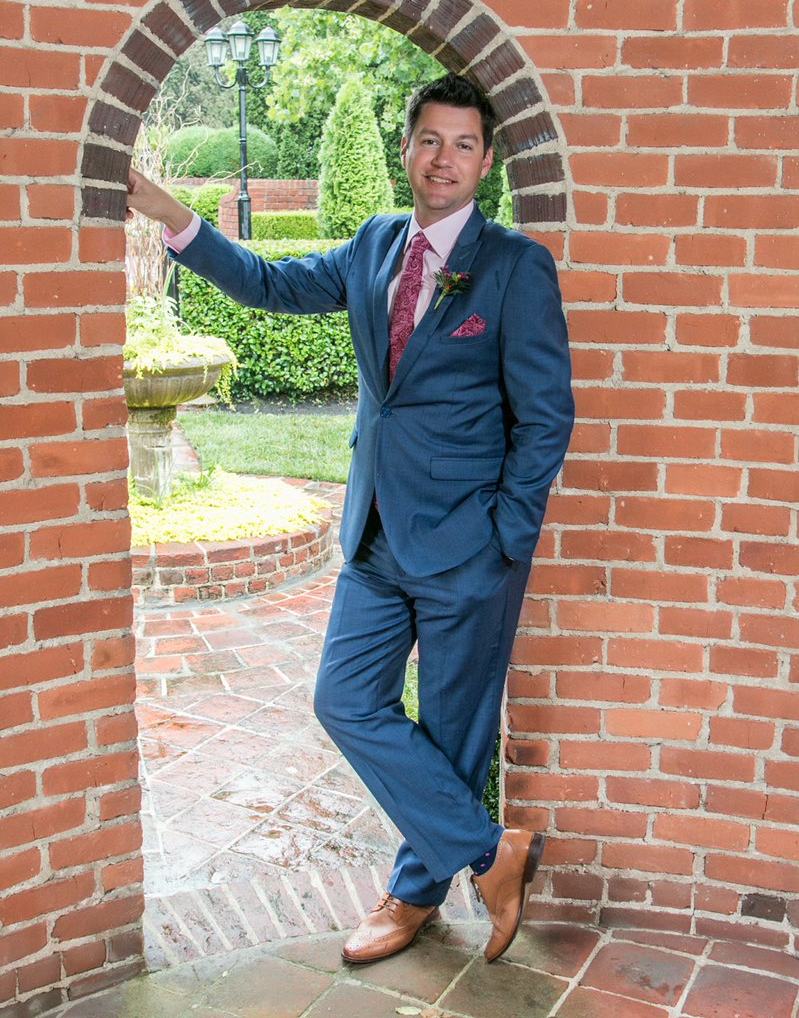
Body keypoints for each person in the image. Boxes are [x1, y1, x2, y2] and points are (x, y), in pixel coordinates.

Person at [127, 72, 574, 965]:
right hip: (373, 534)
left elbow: (546, 415)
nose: (441, 158)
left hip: (469, 548)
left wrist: (503, 537)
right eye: (428, 140)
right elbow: (265, 280)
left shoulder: (516, 266)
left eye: (461, 144)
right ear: (406, 148)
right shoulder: (374, 245)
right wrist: (168, 213)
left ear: (483, 162)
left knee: (453, 731)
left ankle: (412, 898)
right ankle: (492, 853)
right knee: (344, 699)